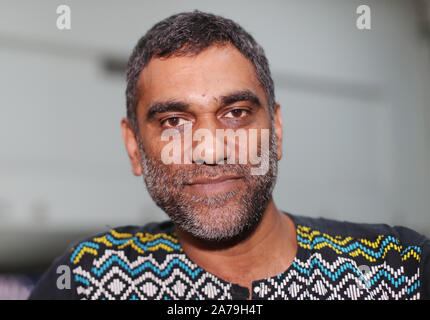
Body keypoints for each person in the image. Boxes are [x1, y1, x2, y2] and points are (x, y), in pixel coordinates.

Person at [29, 11, 429, 300]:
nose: (209, 149)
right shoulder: (87, 280)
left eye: (236, 114)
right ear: (134, 147)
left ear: (277, 130)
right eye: (173, 121)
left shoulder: (401, 269)